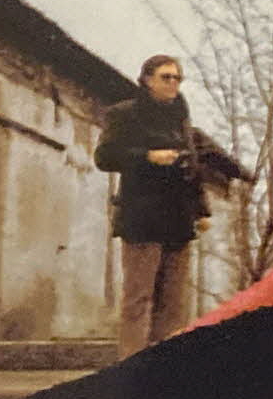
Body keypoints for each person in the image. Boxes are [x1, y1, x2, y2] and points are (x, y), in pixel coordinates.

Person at [96, 54, 252, 359]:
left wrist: (205, 207)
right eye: (166, 77)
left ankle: (162, 368)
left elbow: (196, 164)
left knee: (173, 301)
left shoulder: (182, 121)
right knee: (139, 297)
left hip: (178, 219)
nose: (173, 84)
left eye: (177, 78)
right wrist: (147, 157)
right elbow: (104, 157)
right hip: (141, 217)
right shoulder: (125, 114)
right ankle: (130, 367)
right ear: (147, 80)